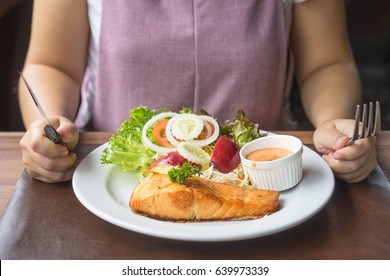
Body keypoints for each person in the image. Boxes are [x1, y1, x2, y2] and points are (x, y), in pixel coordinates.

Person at [18, 0, 377, 183]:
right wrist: (49, 129)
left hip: (264, 177)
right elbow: (52, 64)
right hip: (110, 180)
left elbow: (326, 62)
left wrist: (332, 121)